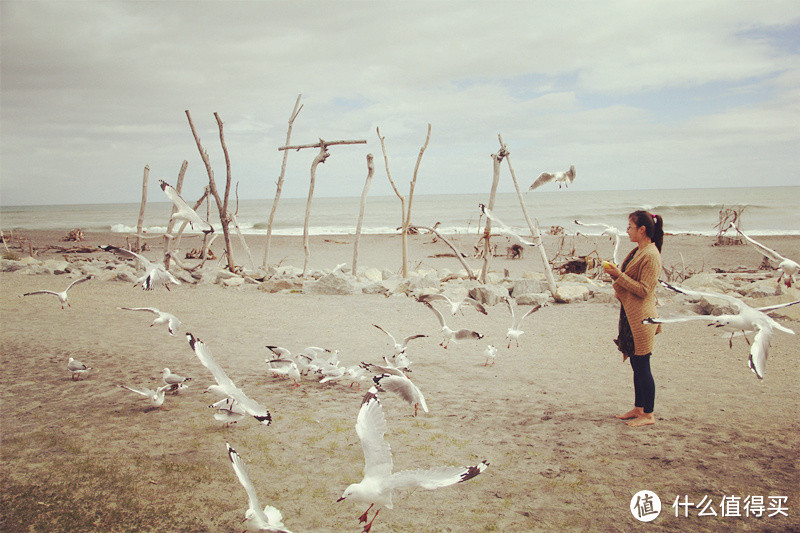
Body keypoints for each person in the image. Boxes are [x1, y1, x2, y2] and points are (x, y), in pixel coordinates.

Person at [604, 210, 663, 427]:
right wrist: (616, 274)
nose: (627, 230)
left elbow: (645, 290)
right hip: (631, 315)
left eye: (630, 226)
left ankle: (648, 414)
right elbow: (630, 279)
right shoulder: (638, 251)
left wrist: (619, 276)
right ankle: (639, 408)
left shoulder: (651, 255)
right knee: (636, 365)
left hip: (643, 317)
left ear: (642, 229)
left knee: (643, 365)